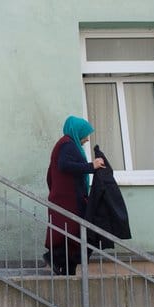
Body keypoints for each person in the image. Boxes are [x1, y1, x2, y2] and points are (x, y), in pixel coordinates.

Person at [43, 115, 105, 275]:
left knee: (73, 235)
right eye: (85, 134)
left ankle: (67, 270)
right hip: (68, 199)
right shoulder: (67, 144)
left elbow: (50, 174)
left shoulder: (65, 144)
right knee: (73, 232)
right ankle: (54, 258)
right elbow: (64, 165)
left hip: (66, 197)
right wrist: (92, 166)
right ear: (78, 131)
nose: (86, 139)